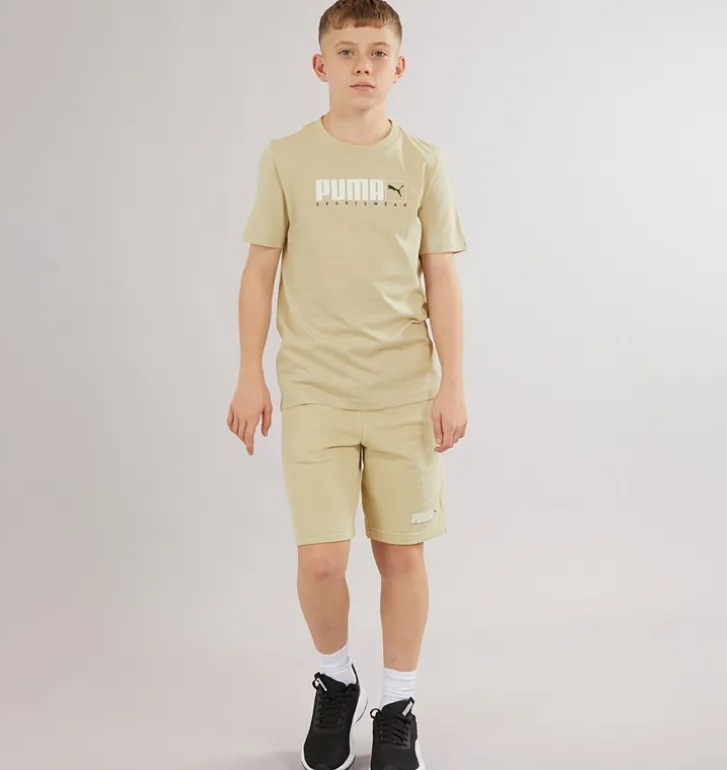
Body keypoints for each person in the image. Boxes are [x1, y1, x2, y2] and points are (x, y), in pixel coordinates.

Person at [227, 1, 467, 768]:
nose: (362, 64)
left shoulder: (422, 162)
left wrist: (452, 383)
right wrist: (249, 373)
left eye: (377, 52)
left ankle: (398, 703)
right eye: (346, 51)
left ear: (400, 66)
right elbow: (259, 270)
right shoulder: (286, 158)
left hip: (403, 391)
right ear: (319, 65)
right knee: (323, 560)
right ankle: (336, 679)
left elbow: (441, 278)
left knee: (402, 558)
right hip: (316, 391)